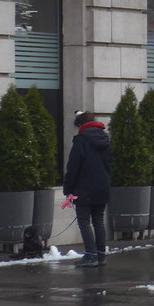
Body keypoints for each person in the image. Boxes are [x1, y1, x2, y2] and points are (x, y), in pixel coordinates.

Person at [63, 110, 112, 267]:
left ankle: (90, 255)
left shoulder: (81, 140)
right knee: (98, 220)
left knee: (84, 222)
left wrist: (68, 189)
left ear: (80, 124)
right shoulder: (105, 139)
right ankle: (101, 255)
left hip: (84, 187)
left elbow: (73, 167)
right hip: (102, 186)